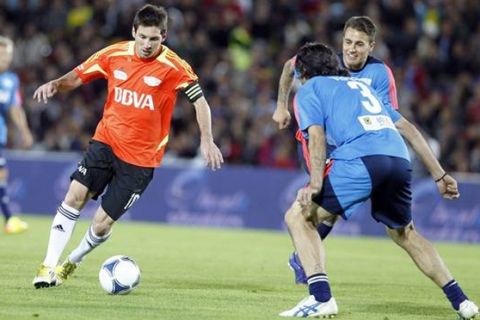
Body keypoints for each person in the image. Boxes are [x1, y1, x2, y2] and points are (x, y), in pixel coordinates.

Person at [279, 42, 479, 319]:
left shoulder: (310, 90)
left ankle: (320, 297)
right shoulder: (363, 88)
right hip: (398, 157)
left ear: (302, 74)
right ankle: (462, 302)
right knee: (405, 233)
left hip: (362, 159)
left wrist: (314, 184)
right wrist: (439, 174)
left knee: (299, 216)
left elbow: (316, 136)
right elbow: (407, 127)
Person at [32, 4, 223, 288]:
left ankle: (72, 261)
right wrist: (56, 84)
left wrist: (206, 139)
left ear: (164, 36)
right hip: (106, 141)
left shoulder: (175, 67)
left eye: (154, 39)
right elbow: (77, 76)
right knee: (74, 195)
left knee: (101, 224)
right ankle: (47, 266)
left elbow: (200, 101)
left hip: (141, 160)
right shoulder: (113, 54)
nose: (147, 44)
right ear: (134, 32)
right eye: (142, 37)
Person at [273, 16, 401, 285]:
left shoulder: (379, 74)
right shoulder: (326, 62)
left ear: (371, 46)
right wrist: (281, 106)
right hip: (323, 142)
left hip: (357, 145)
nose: (352, 50)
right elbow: (288, 67)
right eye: (348, 42)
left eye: (359, 44)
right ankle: (311, 270)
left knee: (327, 209)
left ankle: (304, 259)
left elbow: (391, 116)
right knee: (320, 204)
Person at [0, 36, 33, 234]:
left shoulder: (11, 80)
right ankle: (9, 218)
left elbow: (15, 108)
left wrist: (24, 131)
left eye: (6, 54)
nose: (4, 57)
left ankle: (10, 219)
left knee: (2, 174)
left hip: (1, 135)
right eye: (1, 53)